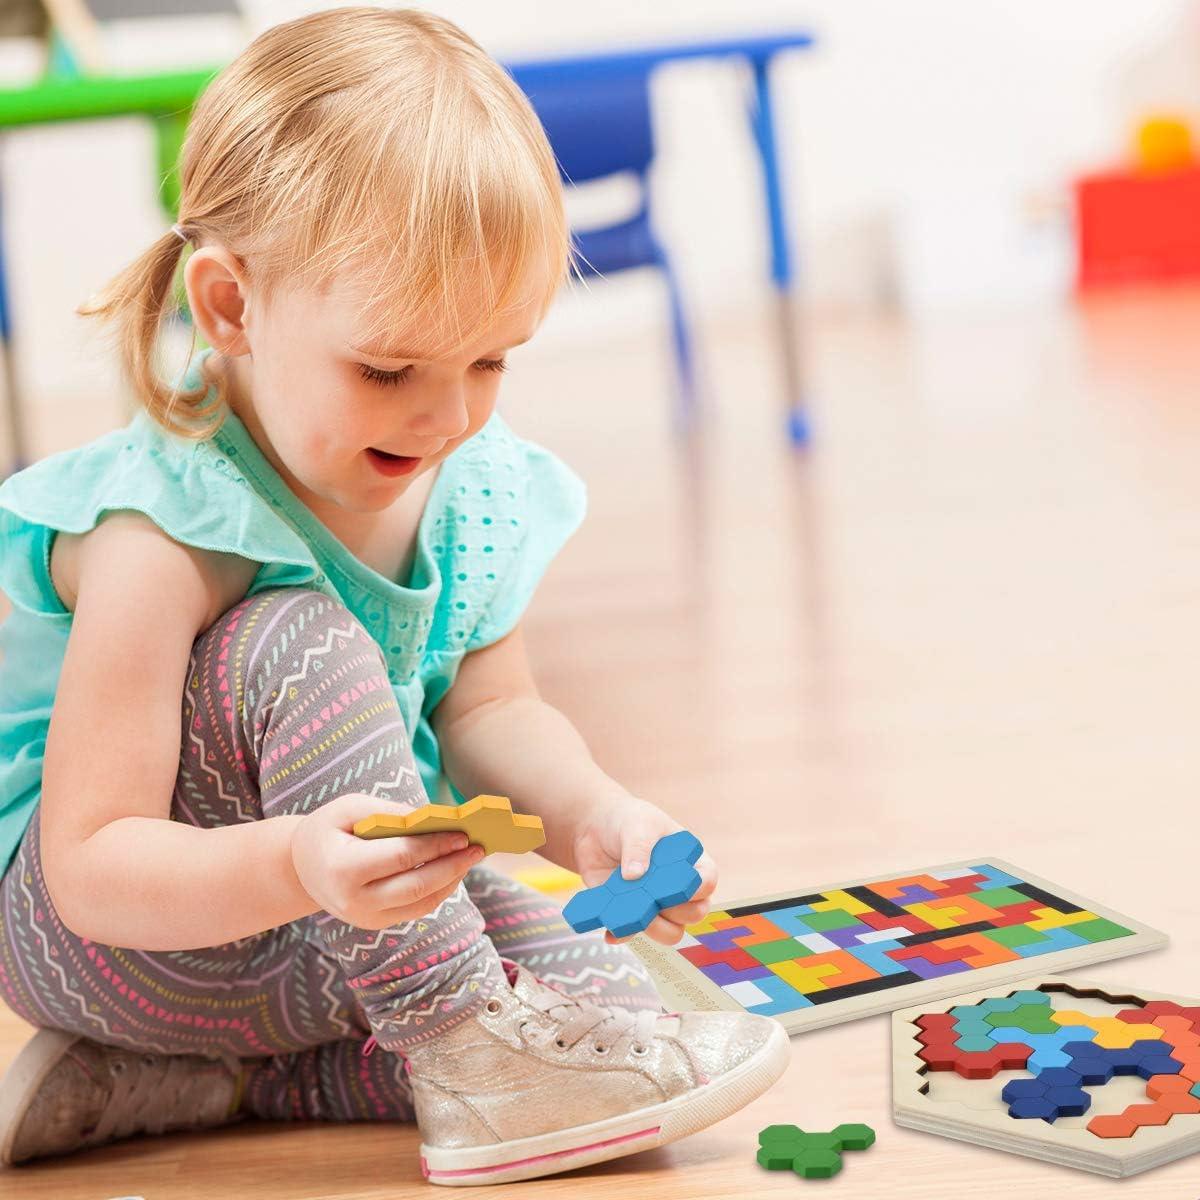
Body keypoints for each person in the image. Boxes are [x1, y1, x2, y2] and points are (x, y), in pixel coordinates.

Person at [0, 7, 788, 1186]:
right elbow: (94, 866)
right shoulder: (160, 531)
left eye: (490, 360)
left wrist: (595, 817)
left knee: (625, 992)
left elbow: (490, 714)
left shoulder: (466, 485)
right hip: (106, 940)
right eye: (388, 369)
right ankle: (466, 1061)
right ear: (231, 308)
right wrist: (295, 868)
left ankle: (219, 1085)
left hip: (311, 916)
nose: (448, 417)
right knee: (297, 636)